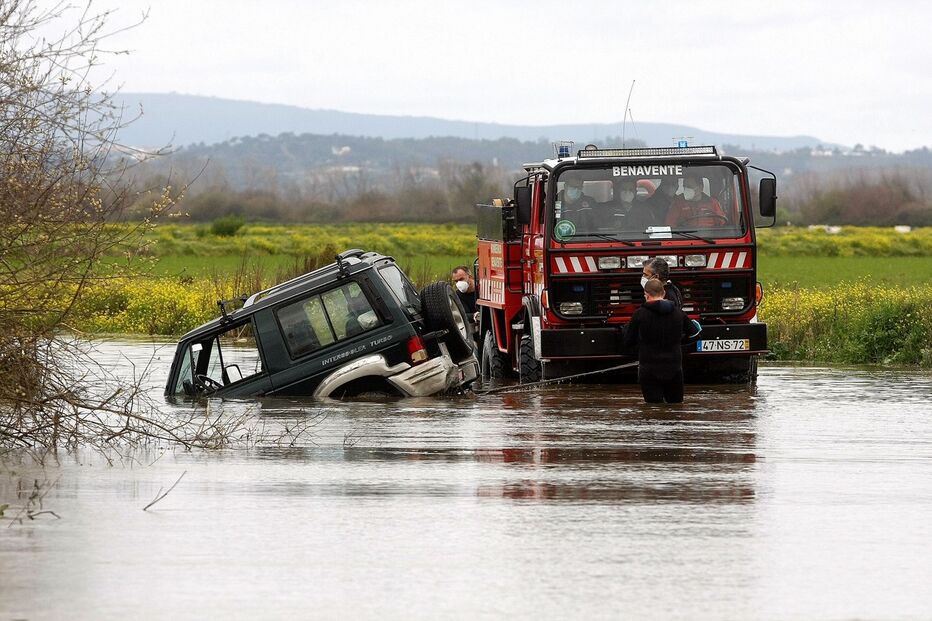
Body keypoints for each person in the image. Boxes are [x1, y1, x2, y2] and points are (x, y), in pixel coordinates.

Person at [624, 279, 700, 404]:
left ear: (646, 295)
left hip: (648, 368)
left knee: (653, 409)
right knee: (675, 408)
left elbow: (628, 342)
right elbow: (695, 336)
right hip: (674, 367)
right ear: (664, 293)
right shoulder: (679, 313)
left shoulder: (639, 314)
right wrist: (679, 342)